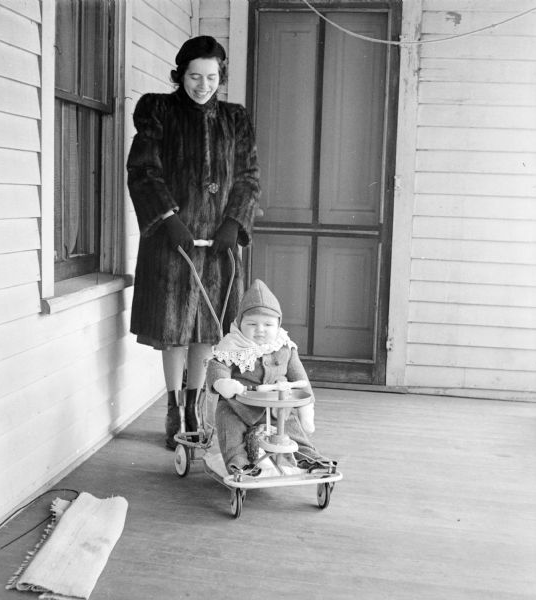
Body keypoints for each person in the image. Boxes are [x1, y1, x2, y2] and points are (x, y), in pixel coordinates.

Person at [126, 36, 260, 449]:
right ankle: (173, 409)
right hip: (174, 239)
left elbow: (248, 177)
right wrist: (169, 219)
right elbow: (144, 170)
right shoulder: (159, 112)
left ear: (221, 78)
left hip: (216, 244)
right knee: (174, 330)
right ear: (180, 74)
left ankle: (195, 404)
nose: (203, 85)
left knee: (208, 327)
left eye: (211, 77)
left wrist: (232, 224)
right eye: (195, 76)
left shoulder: (235, 119)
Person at [206, 279, 329, 475]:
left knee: (293, 432)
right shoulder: (232, 345)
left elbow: (300, 378)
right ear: (240, 323)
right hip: (238, 407)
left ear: (278, 324)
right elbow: (217, 365)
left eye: (268, 324)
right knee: (230, 428)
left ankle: (310, 458)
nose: (260, 330)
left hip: (277, 410)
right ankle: (240, 464)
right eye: (252, 323)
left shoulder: (284, 347)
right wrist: (222, 382)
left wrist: (306, 406)